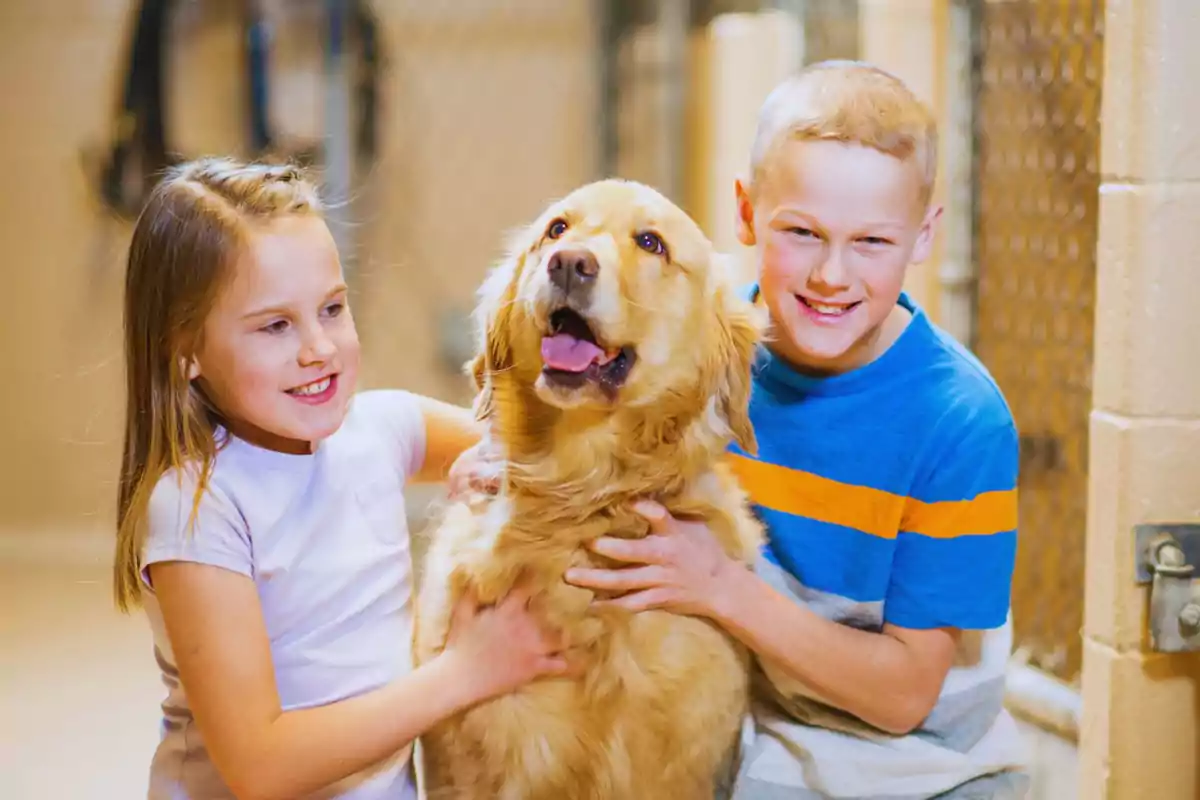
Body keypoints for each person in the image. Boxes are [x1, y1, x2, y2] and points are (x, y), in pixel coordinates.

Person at [456, 61, 1029, 798]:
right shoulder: (699, 348)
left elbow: (903, 698)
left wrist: (722, 587)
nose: (830, 275)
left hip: (927, 764)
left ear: (924, 236)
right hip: (775, 744)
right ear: (747, 212)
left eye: (872, 244)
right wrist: (493, 453)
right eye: (802, 232)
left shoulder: (960, 422)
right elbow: (576, 428)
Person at [113, 157, 570, 800]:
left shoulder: (380, 429)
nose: (318, 348)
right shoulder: (198, 507)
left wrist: (491, 462)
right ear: (185, 350)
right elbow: (260, 765)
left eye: (331, 308)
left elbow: (530, 452)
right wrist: (465, 672)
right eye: (276, 325)